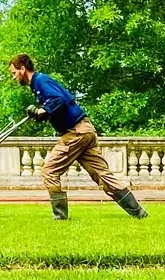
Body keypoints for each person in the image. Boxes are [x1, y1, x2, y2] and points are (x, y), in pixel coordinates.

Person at [8, 53, 148, 220]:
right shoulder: (38, 84)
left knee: (49, 170)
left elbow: (58, 99)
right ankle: (139, 213)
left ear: (23, 69)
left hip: (76, 132)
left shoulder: (41, 80)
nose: (14, 78)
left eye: (14, 73)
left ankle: (60, 217)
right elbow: (58, 104)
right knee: (102, 175)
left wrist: (43, 111)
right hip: (85, 129)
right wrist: (42, 114)